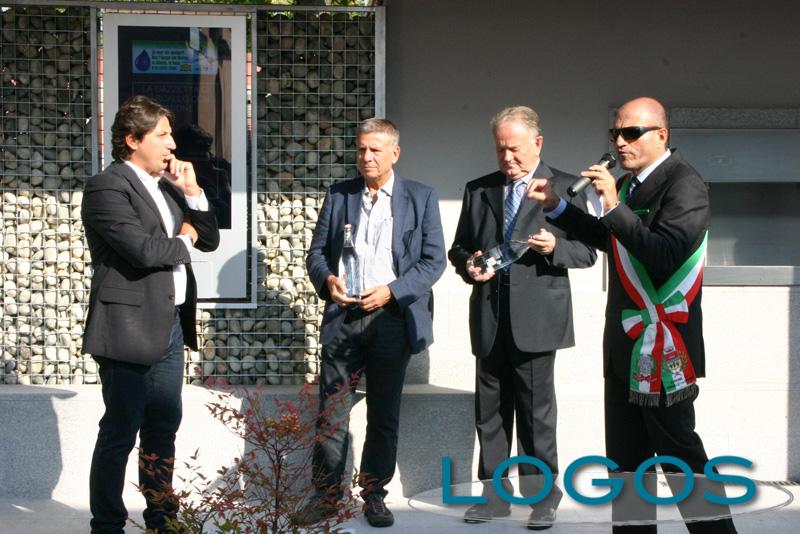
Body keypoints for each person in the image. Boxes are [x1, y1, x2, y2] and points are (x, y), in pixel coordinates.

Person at [526, 96, 737, 533]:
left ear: (661, 135)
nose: (619, 142)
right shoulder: (628, 185)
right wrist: (558, 207)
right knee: (625, 463)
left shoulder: (685, 184)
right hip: (624, 344)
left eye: (631, 133)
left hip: (665, 345)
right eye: (615, 133)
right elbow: (613, 241)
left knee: (680, 457)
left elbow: (662, 255)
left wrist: (612, 203)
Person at [448, 106, 596, 529]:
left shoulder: (565, 187)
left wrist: (555, 248)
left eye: (514, 149)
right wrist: (469, 264)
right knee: (490, 414)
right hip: (489, 316)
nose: (507, 157)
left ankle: (543, 498)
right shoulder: (479, 189)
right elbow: (459, 248)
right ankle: (494, 497)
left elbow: (589, 252)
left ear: (538, 143)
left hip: (538, 319)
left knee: (536, 415)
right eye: (500, 149)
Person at [299, 118, 446, 528]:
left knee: (383, 414)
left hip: (391, 319)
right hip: (344, 317)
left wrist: (392, 292)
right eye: (361, 149)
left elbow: (434, 261)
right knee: (332, 413)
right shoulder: (339, 195)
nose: (366, 157)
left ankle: (374, 495)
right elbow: (316, 254)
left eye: (375, 150)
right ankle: (326, 496)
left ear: (394, 153)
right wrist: (328, 280)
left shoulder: (421, 197)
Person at [82, 95, 219, 534]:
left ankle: (162, 518)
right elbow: (143, 251)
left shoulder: (167, 186)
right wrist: (185, 238)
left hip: (171, 325)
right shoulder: (106, 187)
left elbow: (210, 238)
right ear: (132, 139)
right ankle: (107, 523)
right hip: (127, 328)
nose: (172, 145)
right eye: (162, 135)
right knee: (120, 430)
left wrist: (193, 193)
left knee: (163, 427)